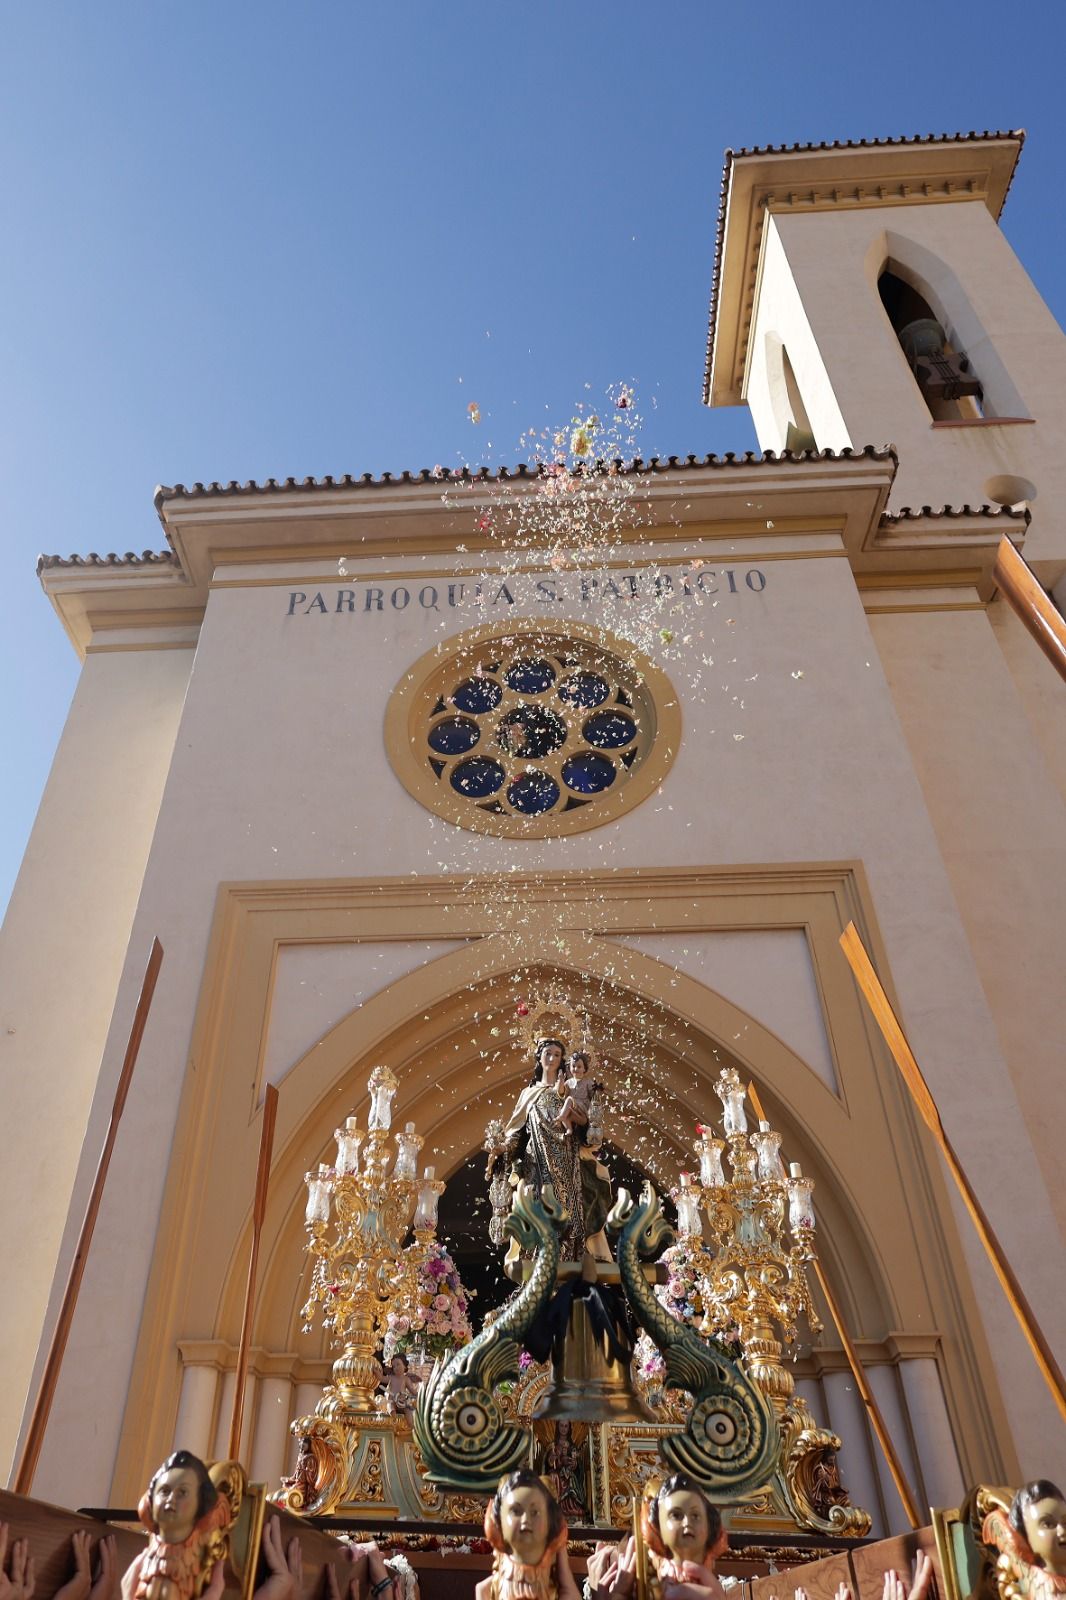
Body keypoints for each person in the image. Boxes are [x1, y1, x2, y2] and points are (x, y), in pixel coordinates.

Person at [504, 1040, 587, 1259]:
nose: (551, 1059)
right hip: (535, 1157)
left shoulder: (568, 1089)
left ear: (562, 1060)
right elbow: (516, 1131)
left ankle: (567, 1252)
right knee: (537, 1198)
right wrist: (502, 1150)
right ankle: (537, 1252)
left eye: (557, 1055)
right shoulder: (528, 1093)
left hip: (564, 1155)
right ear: (539, 1057)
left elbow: (584, 1123)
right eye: (547, 1053)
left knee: (565, 1202)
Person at [477, 1470, 579, 1600]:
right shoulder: (491, 1588)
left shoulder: (557, 1584)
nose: (525, 1519)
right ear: (498, 1520)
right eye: (516, 1511)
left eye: (535, 1512)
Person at [383, 1356, 420, 1424]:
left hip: (402, 1402)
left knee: (408, 1411)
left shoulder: (406, 1379)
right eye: (394, 1366)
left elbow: (412, 1390)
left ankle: (411, 1426)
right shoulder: (391, 1378)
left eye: (398, 1364)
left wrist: (419, 1395)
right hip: (392, 1401)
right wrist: (377, 1373)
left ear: (405, 1366)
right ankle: (394, 1421)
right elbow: (382, 1379)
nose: (396, 1368)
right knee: (390, 1407)